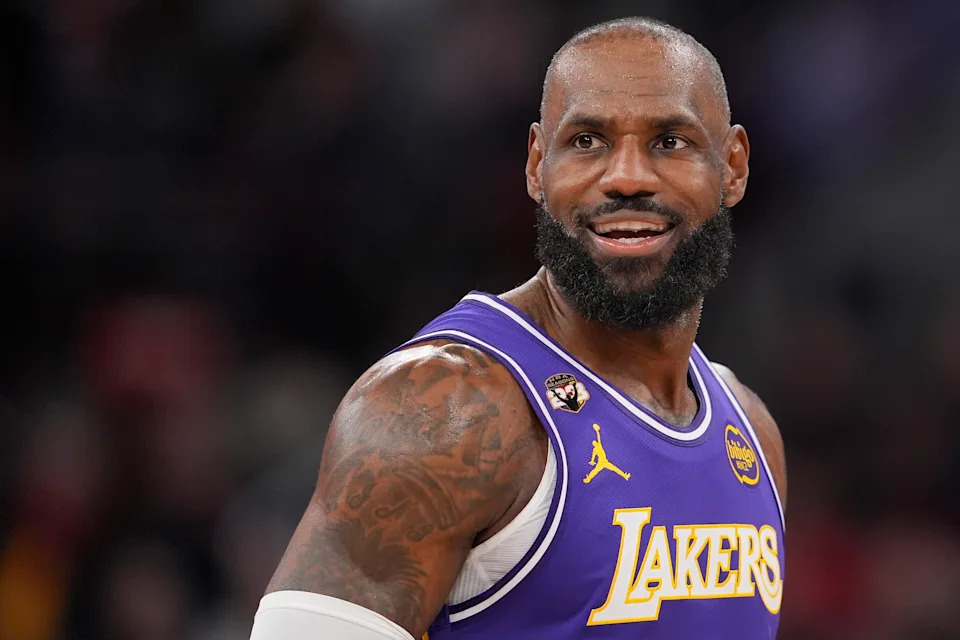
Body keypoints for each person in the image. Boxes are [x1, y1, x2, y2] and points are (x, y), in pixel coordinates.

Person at [249, 16, 786, 640]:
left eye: (670, 141)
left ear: (734, 167)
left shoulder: (752, 433)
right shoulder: (446, 411)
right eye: (588, 141)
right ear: (536, 166)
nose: (627, 177)